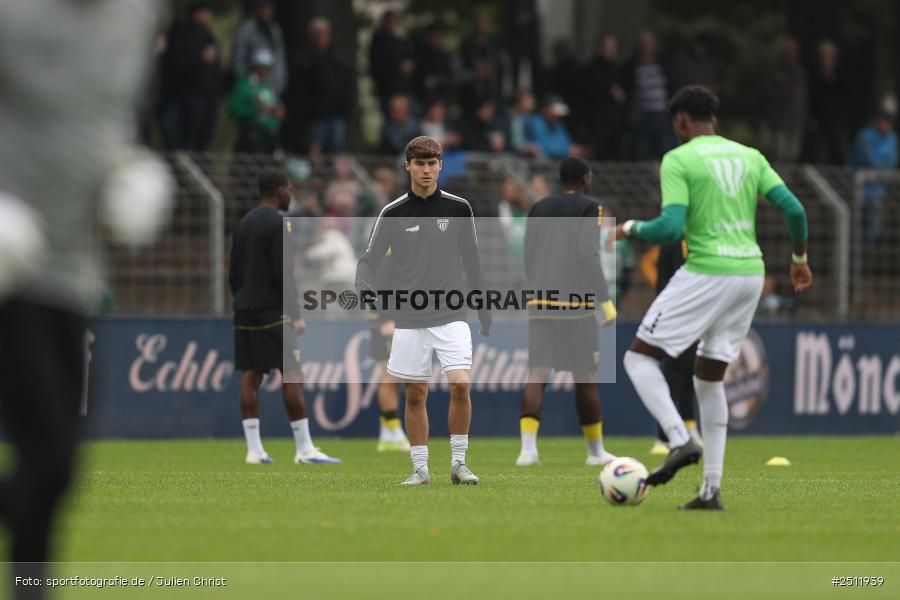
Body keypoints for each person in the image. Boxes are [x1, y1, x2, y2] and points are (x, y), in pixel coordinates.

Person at [0, 2, 173, 596]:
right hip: (6, 259)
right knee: (45, 457)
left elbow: (105, 117)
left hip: (72, 270)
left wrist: (127, 171)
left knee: (56, 469)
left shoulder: (137, 16)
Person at [614, 86, 812, 509]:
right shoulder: (750, 156)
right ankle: (710, 491)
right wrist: (799, 259)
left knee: (637, 357)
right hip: (749, 276)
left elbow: (669, 228)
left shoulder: (679, 158)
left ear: (681, 121)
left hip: (707, 270)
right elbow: (795, 210)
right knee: (708, 378)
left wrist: (630, 228)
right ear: (714, 119)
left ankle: (680, 437)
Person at [356, 136, 491, 486]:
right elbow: (368, 261)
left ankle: (459, 464)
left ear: (440, 166)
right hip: (410, 318)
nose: (427, 170)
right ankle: (420, 469)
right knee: (415, 393)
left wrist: (483, 304)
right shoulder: (393, 212)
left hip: (452, 313)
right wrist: (364, 286)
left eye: (432, 163)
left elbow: (472, 259)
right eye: (420, 163)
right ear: (408, 166)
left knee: (460, 384)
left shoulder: (460, 208)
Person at [230, 169, 340, 465]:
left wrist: (239, 301)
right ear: (279, 191)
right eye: (289, 189)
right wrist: (295, 313)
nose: (291, 194)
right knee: (292, 374)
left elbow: (233, 271)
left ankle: (254, 450)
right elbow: (283, 273)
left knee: (251, 375)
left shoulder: (244, 223)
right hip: (272, 312)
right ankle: (304, 449)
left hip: (244, 310)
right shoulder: (279, 223)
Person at [516, 157, 619, 467]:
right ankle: (595, 452)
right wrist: (604, 300)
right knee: (585, 377)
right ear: (585, 178)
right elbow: (587, 254)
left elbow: (528, 253)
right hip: (576, 304)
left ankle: (527, 451)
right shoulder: (590, 207)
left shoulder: (538, 207)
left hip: (540, 301)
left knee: (537, 374)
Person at [648, 239, 701, 456]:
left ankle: (690, 429)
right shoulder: (670, 244)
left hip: (698, 315)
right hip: (676, 316)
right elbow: (662, 281)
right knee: (673, 376)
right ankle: (664, 436)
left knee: (690, 375)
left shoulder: (700, 241)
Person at [296, 18, 356, 154]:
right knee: (315, 153)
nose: (321, 38)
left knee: (336, 153)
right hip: (315, 116)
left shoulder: (338, 57)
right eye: (318, 34)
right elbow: (301, 90)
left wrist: (345, 107)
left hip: (336, 114)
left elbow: (348, 83)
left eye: (324, 34)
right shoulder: (305, 58)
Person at [172, 2, 222, 151]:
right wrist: (200, 58)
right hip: (191, 94)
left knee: (206, 134)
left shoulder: (209, 35)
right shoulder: (183, 34)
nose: (209, 16)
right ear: (196, 14)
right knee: (189, 133)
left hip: (210, 94)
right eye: (206, 12)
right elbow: (178, 62)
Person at [848, 108, 898, 248]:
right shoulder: (864, 136)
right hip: (857, 186)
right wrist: (882, 168)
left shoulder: (892, 138)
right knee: (854, 223)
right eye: (883, 121)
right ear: (876, 121)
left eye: (888, 122)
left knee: (874, 223)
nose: (886, 125)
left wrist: (881, 170)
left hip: (877, 190)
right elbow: (868, 159)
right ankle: (853, 253)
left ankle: (866, 249)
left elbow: (893, 160)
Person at [228, 49, 285, 154]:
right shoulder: (243, 85)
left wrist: (277, 114)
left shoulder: (267, 88)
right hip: (249, 137)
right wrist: (256, 108)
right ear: (256, 67)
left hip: (268, 138)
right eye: (264, 68)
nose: (267, 72)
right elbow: (234, 109)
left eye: (268, 69)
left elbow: (273, 110)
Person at [231, 0, 287, 94]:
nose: (265, 12)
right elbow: (238, 57)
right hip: (251, 82)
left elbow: (279, 56)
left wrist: (281, 80)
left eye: (268, 10)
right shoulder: (246, 29)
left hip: (271, 83)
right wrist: (244, 82)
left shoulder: (274, 29)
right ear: (257, 10)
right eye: (263, 9)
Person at [369, 10, 415, 116]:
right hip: (387, 90)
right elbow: (378, 67)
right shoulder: (379, 41)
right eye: (390, 21)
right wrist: (398, 68)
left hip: (401, 89)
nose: (393, 24)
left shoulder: (398, 41)